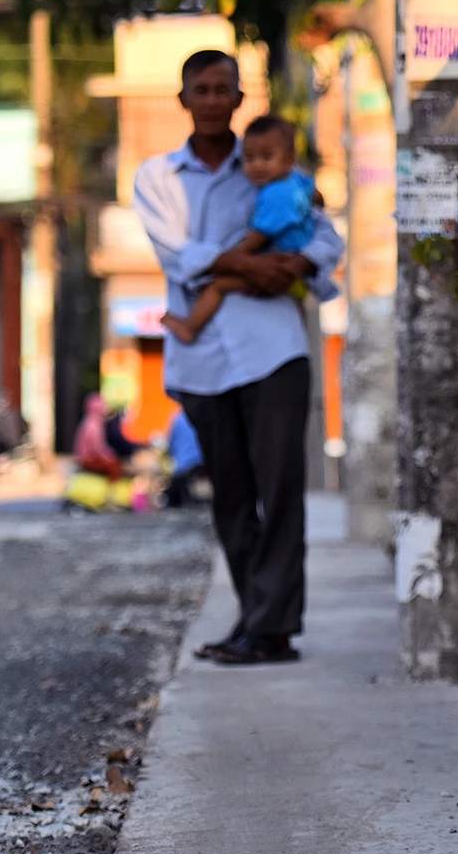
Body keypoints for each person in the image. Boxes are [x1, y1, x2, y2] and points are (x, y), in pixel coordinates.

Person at [134, 49, 342, 666]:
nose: (212, 98)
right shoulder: (157, 178)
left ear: (237, 98)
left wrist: (295, 266)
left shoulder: (277, 169)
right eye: (201, 88)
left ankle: (271, 628)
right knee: (229, 495)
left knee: (279, 493)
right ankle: (256, 618)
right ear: (184, 100)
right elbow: (180, 257)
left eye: (223, 88)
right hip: (200, 360)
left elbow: (325, 241)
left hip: (273, 351)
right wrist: (258, 264)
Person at [160, 114, 330, 345]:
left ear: (288, 159)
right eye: (249, 158)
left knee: (217, 286)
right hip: (293, 263)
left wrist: (233, 260)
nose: (257, 165)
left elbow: (257, 238)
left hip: (279, 264)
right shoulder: (296, 181)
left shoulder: (276, 196)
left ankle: (190, 327)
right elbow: (318, 197)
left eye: (266, 157)